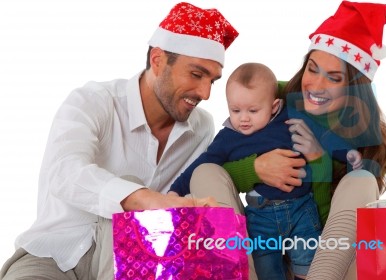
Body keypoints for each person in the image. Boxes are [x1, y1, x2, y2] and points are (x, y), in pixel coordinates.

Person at [0, 2, 239, 280]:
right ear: (158, 60)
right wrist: (144, 199)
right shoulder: (94, 101)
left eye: (213, 80)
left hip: (134, 264)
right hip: (53, 254)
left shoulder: (200, 128)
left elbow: (198, 188)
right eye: (196, 75)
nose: (205, 93)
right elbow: (63, 172)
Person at [188, 1, 386, 280]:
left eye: (334, 78)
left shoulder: (363, 139)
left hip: (325, 256)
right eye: (312, 69)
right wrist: (256, 169)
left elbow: (336, 225)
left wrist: (318, 160)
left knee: (363, 180)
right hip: (260, 255)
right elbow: (223, 157)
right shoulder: (267, 101)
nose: (316, 85)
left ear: (353, 89)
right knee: (205, 171)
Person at [169, 62, 363, 279]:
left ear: (273, 106)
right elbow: (203, 163)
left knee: (309, 262)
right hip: (260, 215)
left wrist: (348, 154)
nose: (243, 118)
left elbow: (323, 135)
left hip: (301, 209)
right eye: (235, 110)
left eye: (253, 111)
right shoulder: (228, 137)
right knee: (266, 267)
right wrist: (176, 190)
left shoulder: (290, 119)